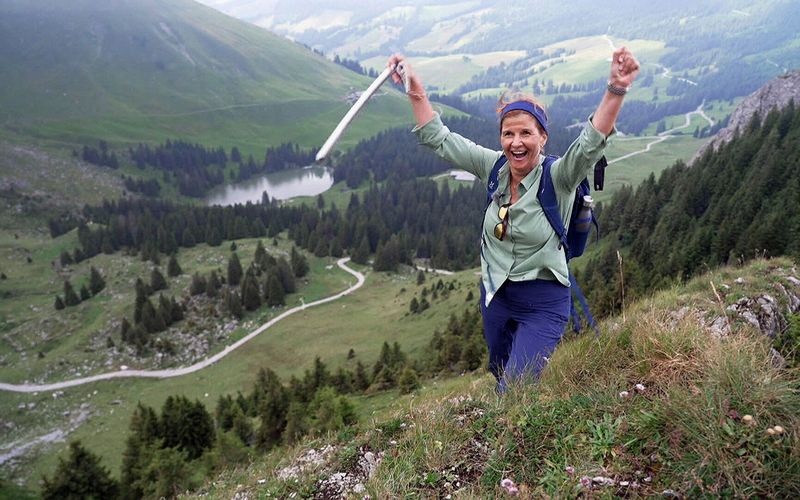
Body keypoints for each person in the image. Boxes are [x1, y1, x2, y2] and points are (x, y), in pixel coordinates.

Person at [388, 48, 639, 391]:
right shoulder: (493, 168)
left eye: (526, 133)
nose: (516, 143)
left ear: (542, 137)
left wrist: (616, 88)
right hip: (496, 294)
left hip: (544, 301)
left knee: (514, 389)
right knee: (500, 368)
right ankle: (518, 414)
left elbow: (590, 143)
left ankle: (516, 434)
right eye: (508, 134)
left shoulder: (559, 177)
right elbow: (438, 138)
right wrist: (413, 85)